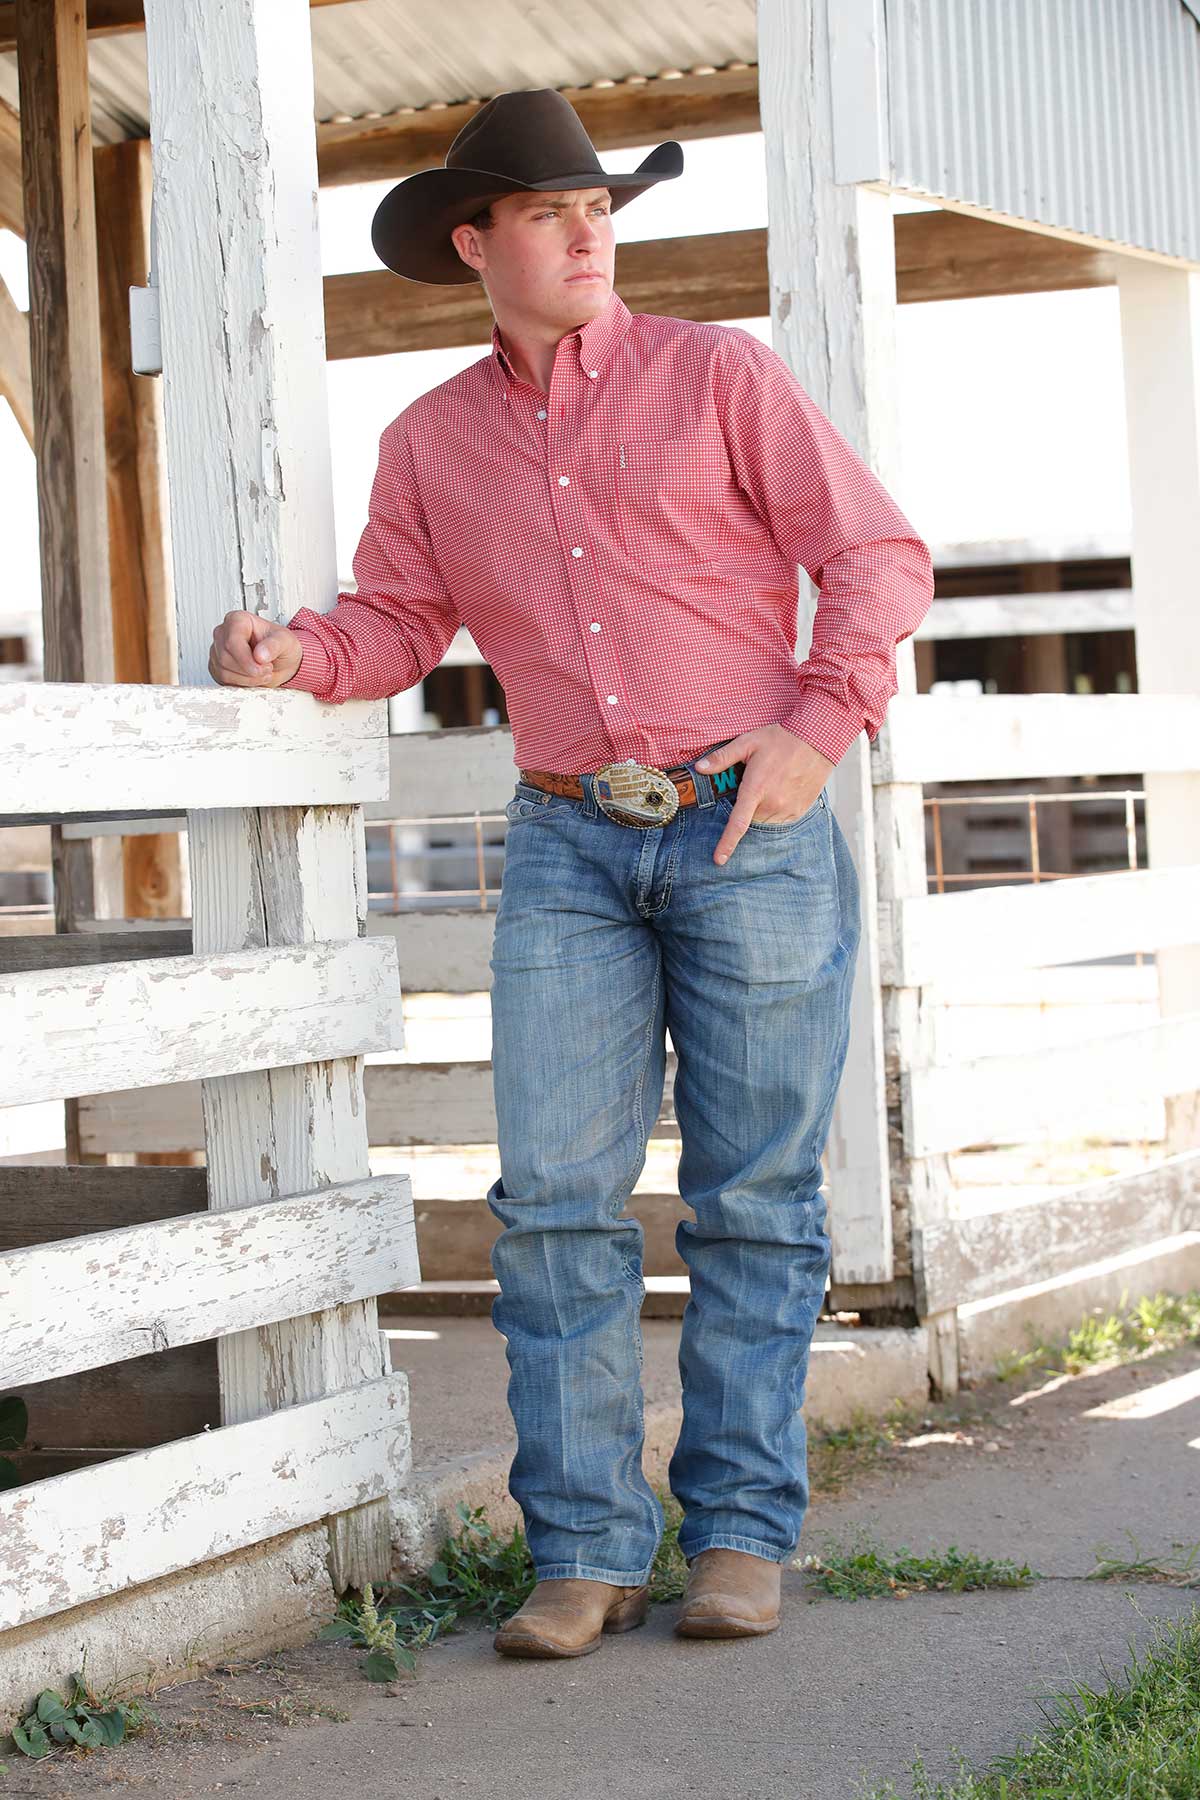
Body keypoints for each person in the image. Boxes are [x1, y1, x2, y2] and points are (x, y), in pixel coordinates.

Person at [209, 87, 934, 1659]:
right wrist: (293, 656)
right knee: (550, 1206)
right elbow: (399, 622)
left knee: (754, 1201)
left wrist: (821, 724)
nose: (590, 234)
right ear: (477, 245)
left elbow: (876, 556)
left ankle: (738, 1537)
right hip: (566, 844)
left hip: (749, 831)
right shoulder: (432, 442)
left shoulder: (718, 376)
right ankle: (587, 1549)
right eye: (551, 213)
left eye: (601, 208)